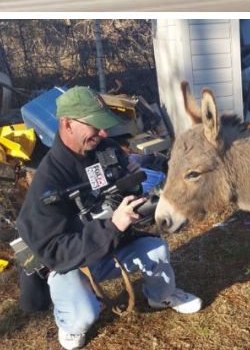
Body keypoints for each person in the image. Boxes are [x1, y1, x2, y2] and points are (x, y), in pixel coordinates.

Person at [16, 86, 202, 350]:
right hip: (72, 261)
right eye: (96, 127)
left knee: (156, 250)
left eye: (104, 126)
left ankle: (161, 296)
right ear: (67, 124)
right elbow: (54, 252)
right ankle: (69, 323)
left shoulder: (105, 149)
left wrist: (134, 183)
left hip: (112, 244)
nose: (103, 134)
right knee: (83, 315)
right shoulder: (48, 181)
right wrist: (112, 225)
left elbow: (124, 195)